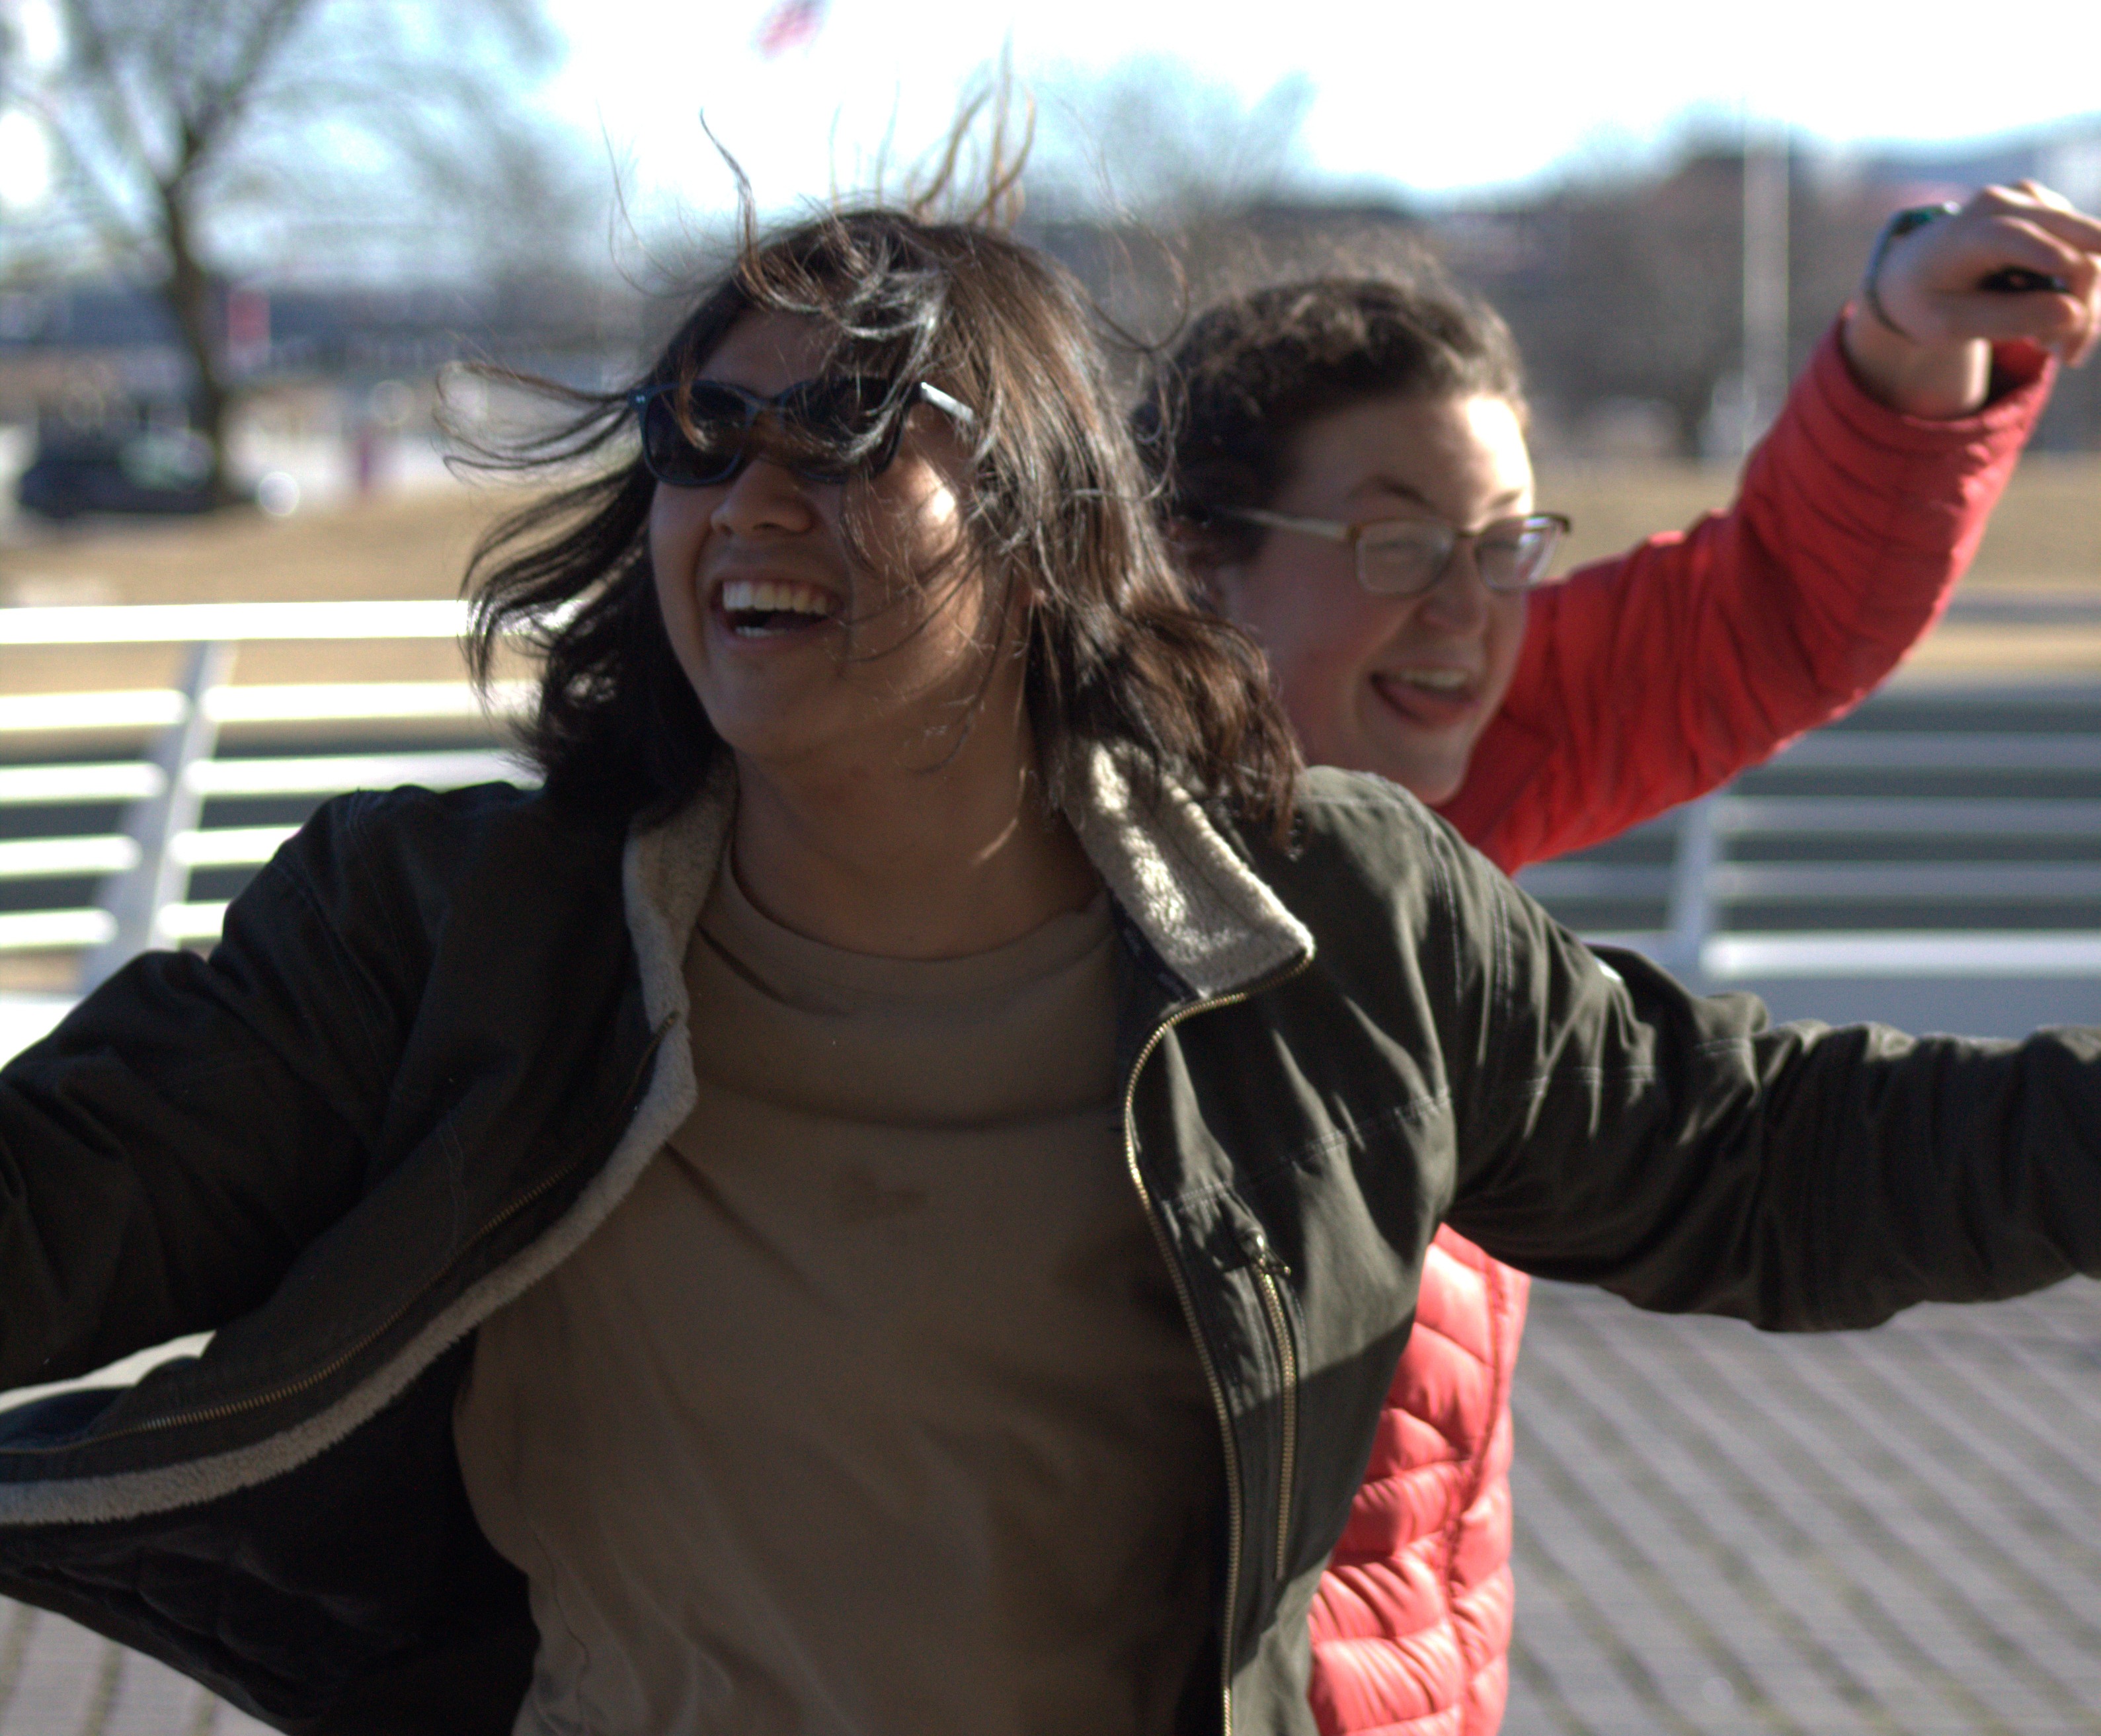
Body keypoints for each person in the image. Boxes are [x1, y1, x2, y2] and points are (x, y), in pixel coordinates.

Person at [1, 204, 2099, 1736]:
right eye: (700, 433)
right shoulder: (440, 930)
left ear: (1035, 515)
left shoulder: (1335, 917)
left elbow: (1769, 1159)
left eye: (843, 427)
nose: (749, 489)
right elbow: (62, 1207)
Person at [1136, 179, 2101, 1736]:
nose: (1465, 612)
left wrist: (1909, 350)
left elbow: (1766, 614)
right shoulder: (998, 873)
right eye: (1393, 544)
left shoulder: (1434, 763)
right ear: (1193, 561)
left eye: (1503, 541)